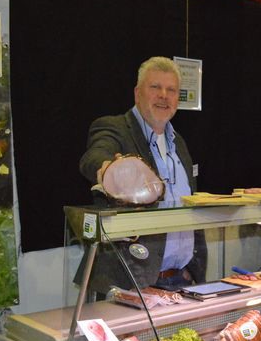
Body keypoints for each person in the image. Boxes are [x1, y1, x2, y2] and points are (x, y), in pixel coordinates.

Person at [79, 56, 206, 293]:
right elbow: (93, 156)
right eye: (155, 87)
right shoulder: (114, 128)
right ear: (137, 94)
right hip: (131, 284)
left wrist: (191, 271)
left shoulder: (179, 142)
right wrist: (108, 169)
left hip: (181, 280)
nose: (164, 95)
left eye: (171, 90)